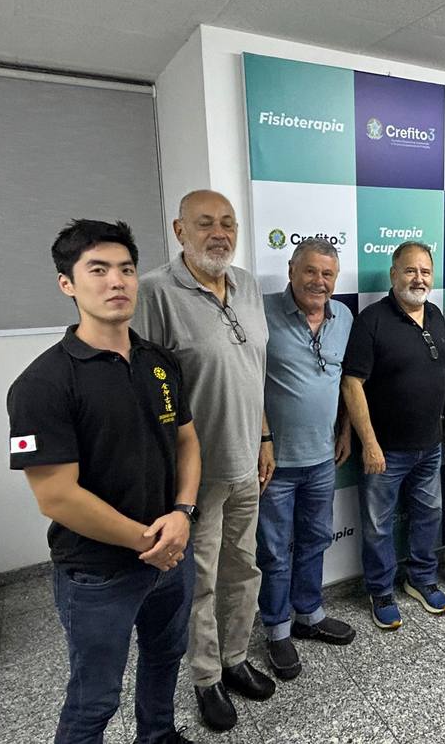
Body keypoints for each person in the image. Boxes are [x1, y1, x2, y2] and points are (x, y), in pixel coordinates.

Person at [7, 219, 199, 744]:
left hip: (172, 554)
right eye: (98, 270)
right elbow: (56, 496)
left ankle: (157, 736)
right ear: (66, 283)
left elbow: (186, 441)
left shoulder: (158, 362)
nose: (117, 281)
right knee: (95, 699)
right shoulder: (42, 384)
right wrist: (150, 541)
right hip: (98, 573)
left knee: (165, 658)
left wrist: (182, 515)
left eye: (126, 269)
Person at [133, 190, 274, 732]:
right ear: (179, 230)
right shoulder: (155, 292)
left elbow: (254, 372)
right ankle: (206, 676)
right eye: (206, 223)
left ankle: (235, 658)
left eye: (228, 224)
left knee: (244, 569)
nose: (220, 233)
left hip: (247, 463)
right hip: (196, 475)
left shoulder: (247, 285)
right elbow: (144, 391)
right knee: (202, 581)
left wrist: (264, 437)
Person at [341, 242, 445, 630]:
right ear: (393, 274)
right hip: (384, 451)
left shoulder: (435, 315)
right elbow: (351, 384)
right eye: (410, 270)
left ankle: (420, 579)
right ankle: (381, 591)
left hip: (430, 446)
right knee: (378, 526)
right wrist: (369, 443)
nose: (418, 278)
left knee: (428, 517)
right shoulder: (371, 320)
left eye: (425, 271)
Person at [259, 237, 355, 679]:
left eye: (327, 274)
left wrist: (346, 430)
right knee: (275, 551)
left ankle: (309, 614)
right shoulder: (262, 313)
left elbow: (345, 381)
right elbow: (247, 381)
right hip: (275, 464)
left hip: (322, 460)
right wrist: (263, 438)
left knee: (315, 539)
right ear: (291, 272)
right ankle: (277, 629)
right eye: (310, 271)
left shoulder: (344, 318)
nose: (319, 281)